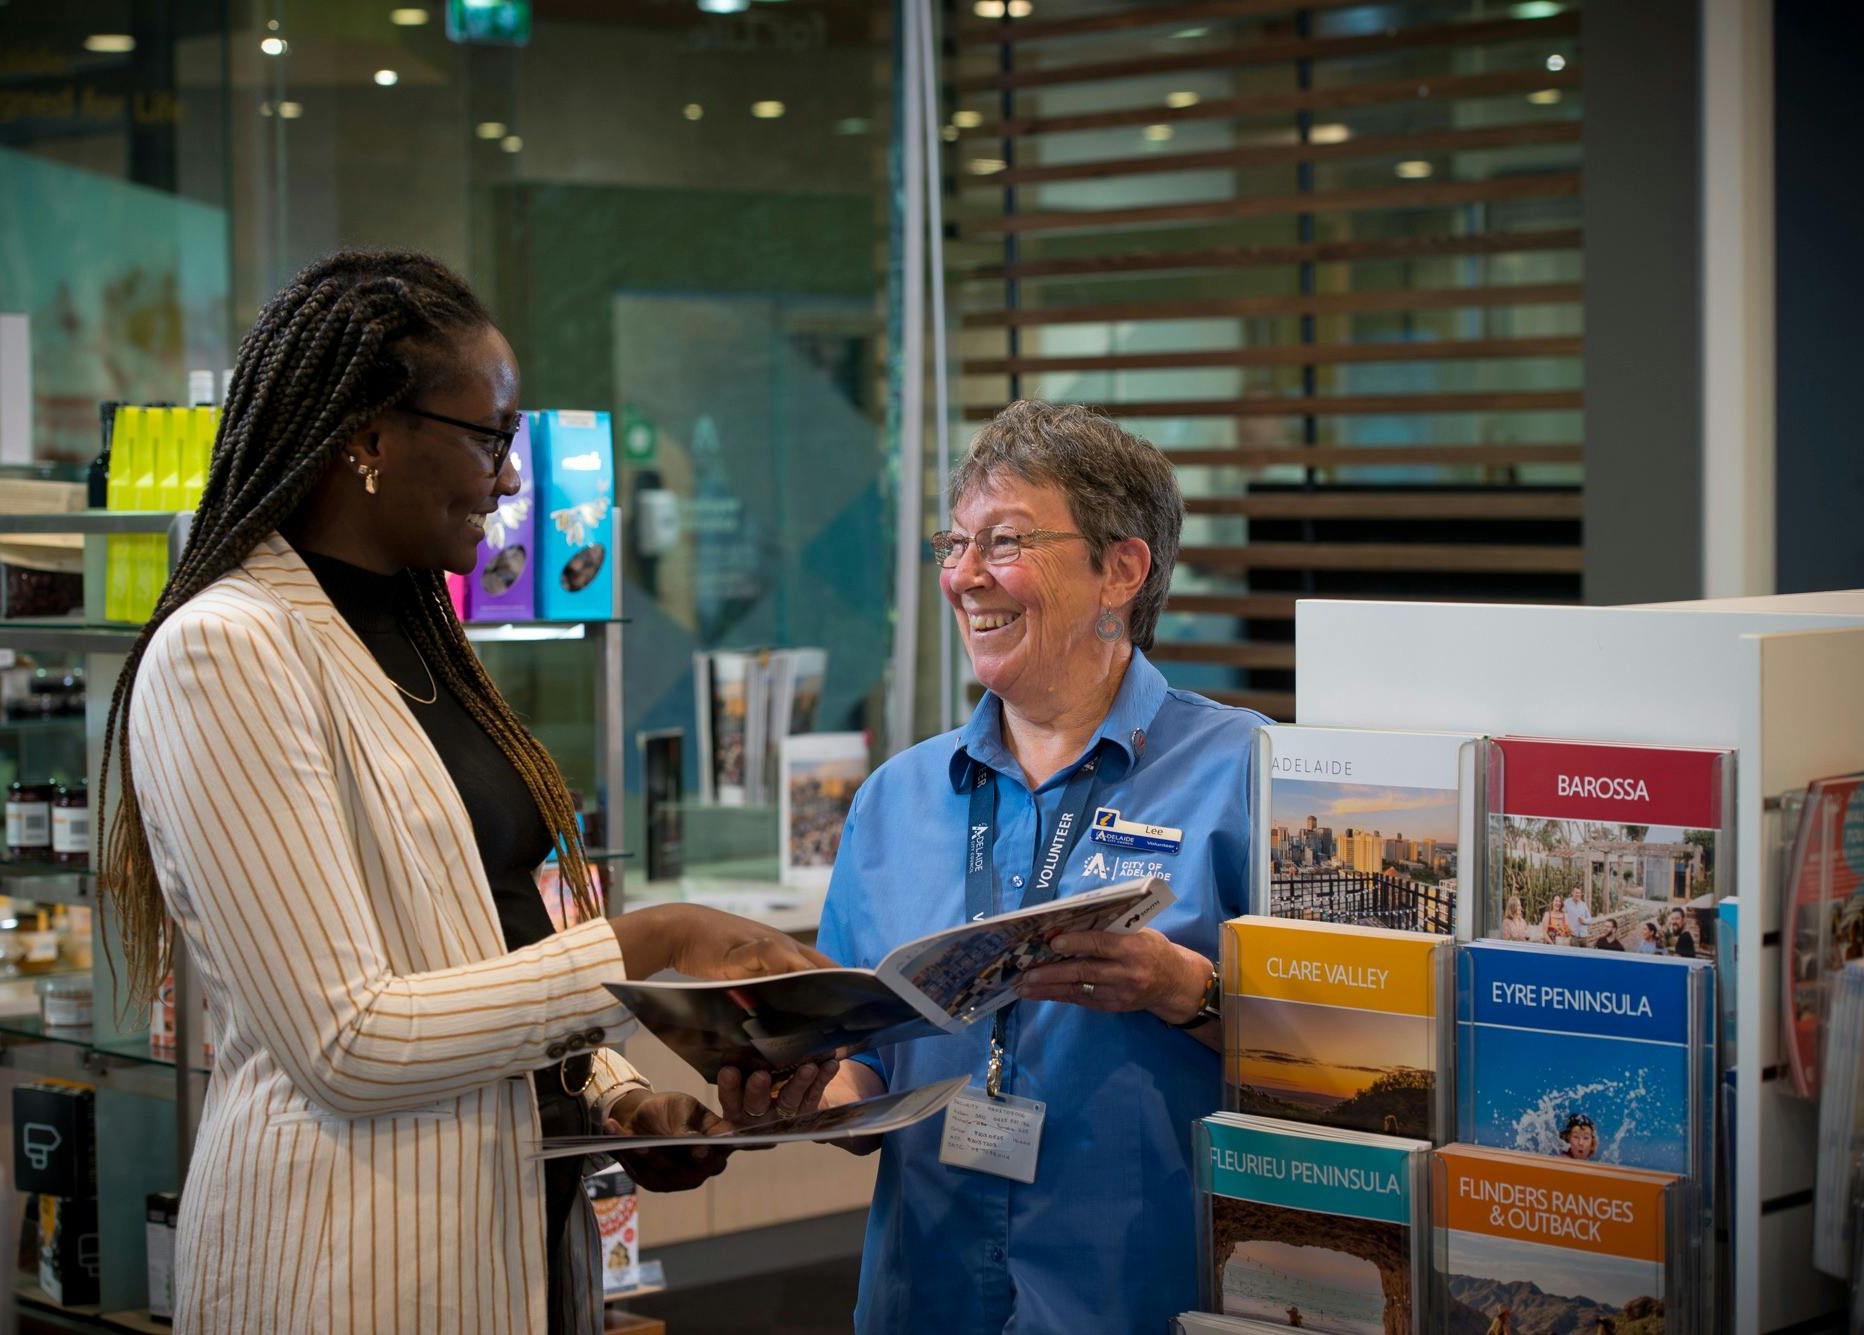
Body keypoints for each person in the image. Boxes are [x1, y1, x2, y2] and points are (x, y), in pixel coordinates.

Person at [97, 251, 835, 1333]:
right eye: (490, 437)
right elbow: (348, 1041)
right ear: (366, 434)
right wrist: (655, 939)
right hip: (344, 1267)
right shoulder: (229, 650)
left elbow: (479, 944)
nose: (509, 479)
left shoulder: (417, 636)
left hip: (512, 1243)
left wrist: (612, 1099)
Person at [811, 400, 1263, 1331]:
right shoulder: (894, 800)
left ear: (1121, 570)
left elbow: (1343, 1068)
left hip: (1141, 1299)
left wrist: (1189, 990)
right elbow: (857, 1051)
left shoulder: (1250, 774)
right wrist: (805, 1086)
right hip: (924, 1297)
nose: (965, 576)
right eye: (955, 542)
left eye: (1005, 540)